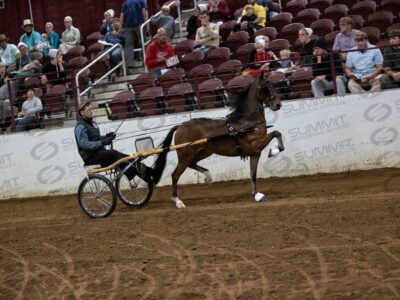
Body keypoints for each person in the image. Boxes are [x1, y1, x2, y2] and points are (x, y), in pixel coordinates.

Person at [74, 101, 150, 181]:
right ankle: (131, 173)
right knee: (113, 154)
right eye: (89, 109)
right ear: (82, 112)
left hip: (98, 153)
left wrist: (107, 137)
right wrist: (102, 142)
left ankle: (147, 173)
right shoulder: (80, 127)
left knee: (126, 157)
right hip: (90, 157)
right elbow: (85, 144)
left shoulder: (92, 123)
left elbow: (96, 138)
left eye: (92, 109)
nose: (92, 111)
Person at [120, 0, 148, 72]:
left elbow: (122, 16)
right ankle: (145, 60)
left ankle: (129, 64)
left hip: (128, 26)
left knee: (128, 45)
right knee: (143, 42)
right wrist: (147, 25)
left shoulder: (125, 3)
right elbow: (144, 13)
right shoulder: (142, 1)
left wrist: (120, 29)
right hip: (139, 25)